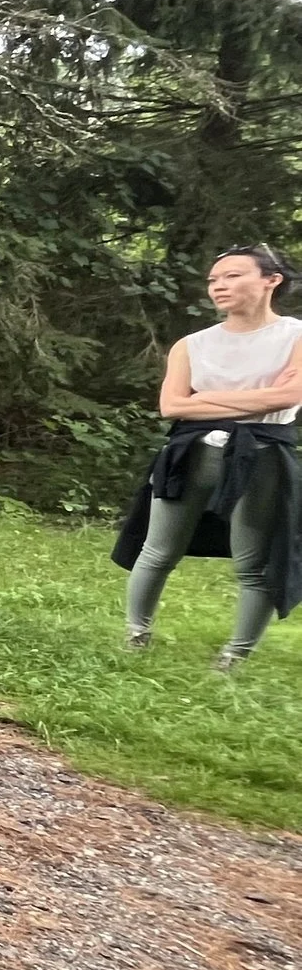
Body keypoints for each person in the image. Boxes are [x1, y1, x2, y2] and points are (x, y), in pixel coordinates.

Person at [115, 245, 302, 669]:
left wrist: (208, 399)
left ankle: (234, 656)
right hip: (190, 455)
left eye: (233, 276)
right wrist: (256, 399)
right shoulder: (192, 345)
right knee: (157, 551)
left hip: (261, 458)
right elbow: (173, 407)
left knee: (254, 562)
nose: (219, 286)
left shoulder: (295, 336)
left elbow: (292, 395)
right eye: (214, 280)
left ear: (271, 281)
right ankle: (136, 635)